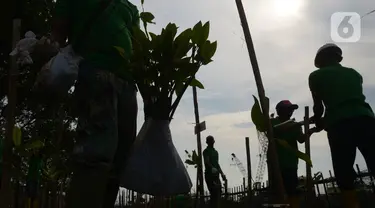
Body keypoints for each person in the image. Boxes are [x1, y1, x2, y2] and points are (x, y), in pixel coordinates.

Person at [51, 0, 139, 207]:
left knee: (121, 156)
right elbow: (58, 33)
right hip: (94, 74)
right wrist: (49, 51)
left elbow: (139, 48)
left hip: (128, 83)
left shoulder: (130, 8)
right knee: (96, 152)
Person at [309, 43, 375, 208]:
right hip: (366, 119)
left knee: (343, 169)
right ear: (339, 58)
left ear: (321, 60)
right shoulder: (354, 74)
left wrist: (318, 121)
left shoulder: (316, 76)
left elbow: (319, 106)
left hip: (339, 123)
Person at [270, 100, 308, 208]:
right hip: (276, 162)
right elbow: (274, 131)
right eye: (288, 109)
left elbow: (301, 139)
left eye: (291, 110)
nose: (290, 112)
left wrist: (311, 131)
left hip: (291, 163)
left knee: (292, 191)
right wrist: (297, 124)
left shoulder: (295, 125)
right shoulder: (273, 122)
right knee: (278, 192)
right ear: (280, 111)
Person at [203, 135, 226, 208]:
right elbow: (207, 161)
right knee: (213, 193)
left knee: (219, 192)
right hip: (209, 175)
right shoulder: (206, 151)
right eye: (209, 141)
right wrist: (212, 167)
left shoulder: (215, 152)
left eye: (212, 141)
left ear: (213, 141)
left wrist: (222, 173)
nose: (211, 142)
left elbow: (217, 164)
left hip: (216, 175)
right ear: (207, 142)